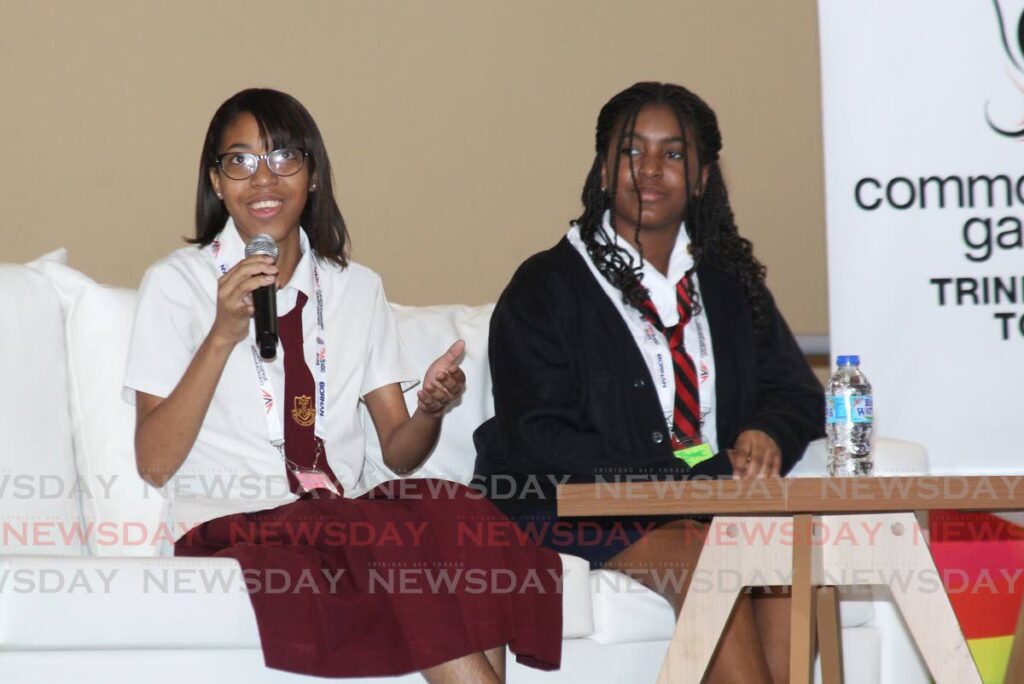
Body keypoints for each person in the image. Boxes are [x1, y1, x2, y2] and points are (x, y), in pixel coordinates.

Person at [124, 88, 561, 684]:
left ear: (311, 177)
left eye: (284, 158)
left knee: (459, 512)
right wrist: (222, 335)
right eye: (241, 161)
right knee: (381, 532)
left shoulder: (357, 288)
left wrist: (430, 408)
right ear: (217, 181)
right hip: (234, 518)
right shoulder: (176, 285)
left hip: (339, 516)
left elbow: (399, 452)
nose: (263, 179)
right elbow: (152, 463)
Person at [474, 82, 824, 684]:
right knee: (703, 555)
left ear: (703, 176)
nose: (651, 170)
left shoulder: (728, 279)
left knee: (784, 554)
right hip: (573, 503)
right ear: (604, 167)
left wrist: (766, 432)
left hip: (707, 501)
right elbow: (538, 439)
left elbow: (795, 391)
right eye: (632, 151)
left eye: (673, 154)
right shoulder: (547, 285)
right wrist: (688, 479)